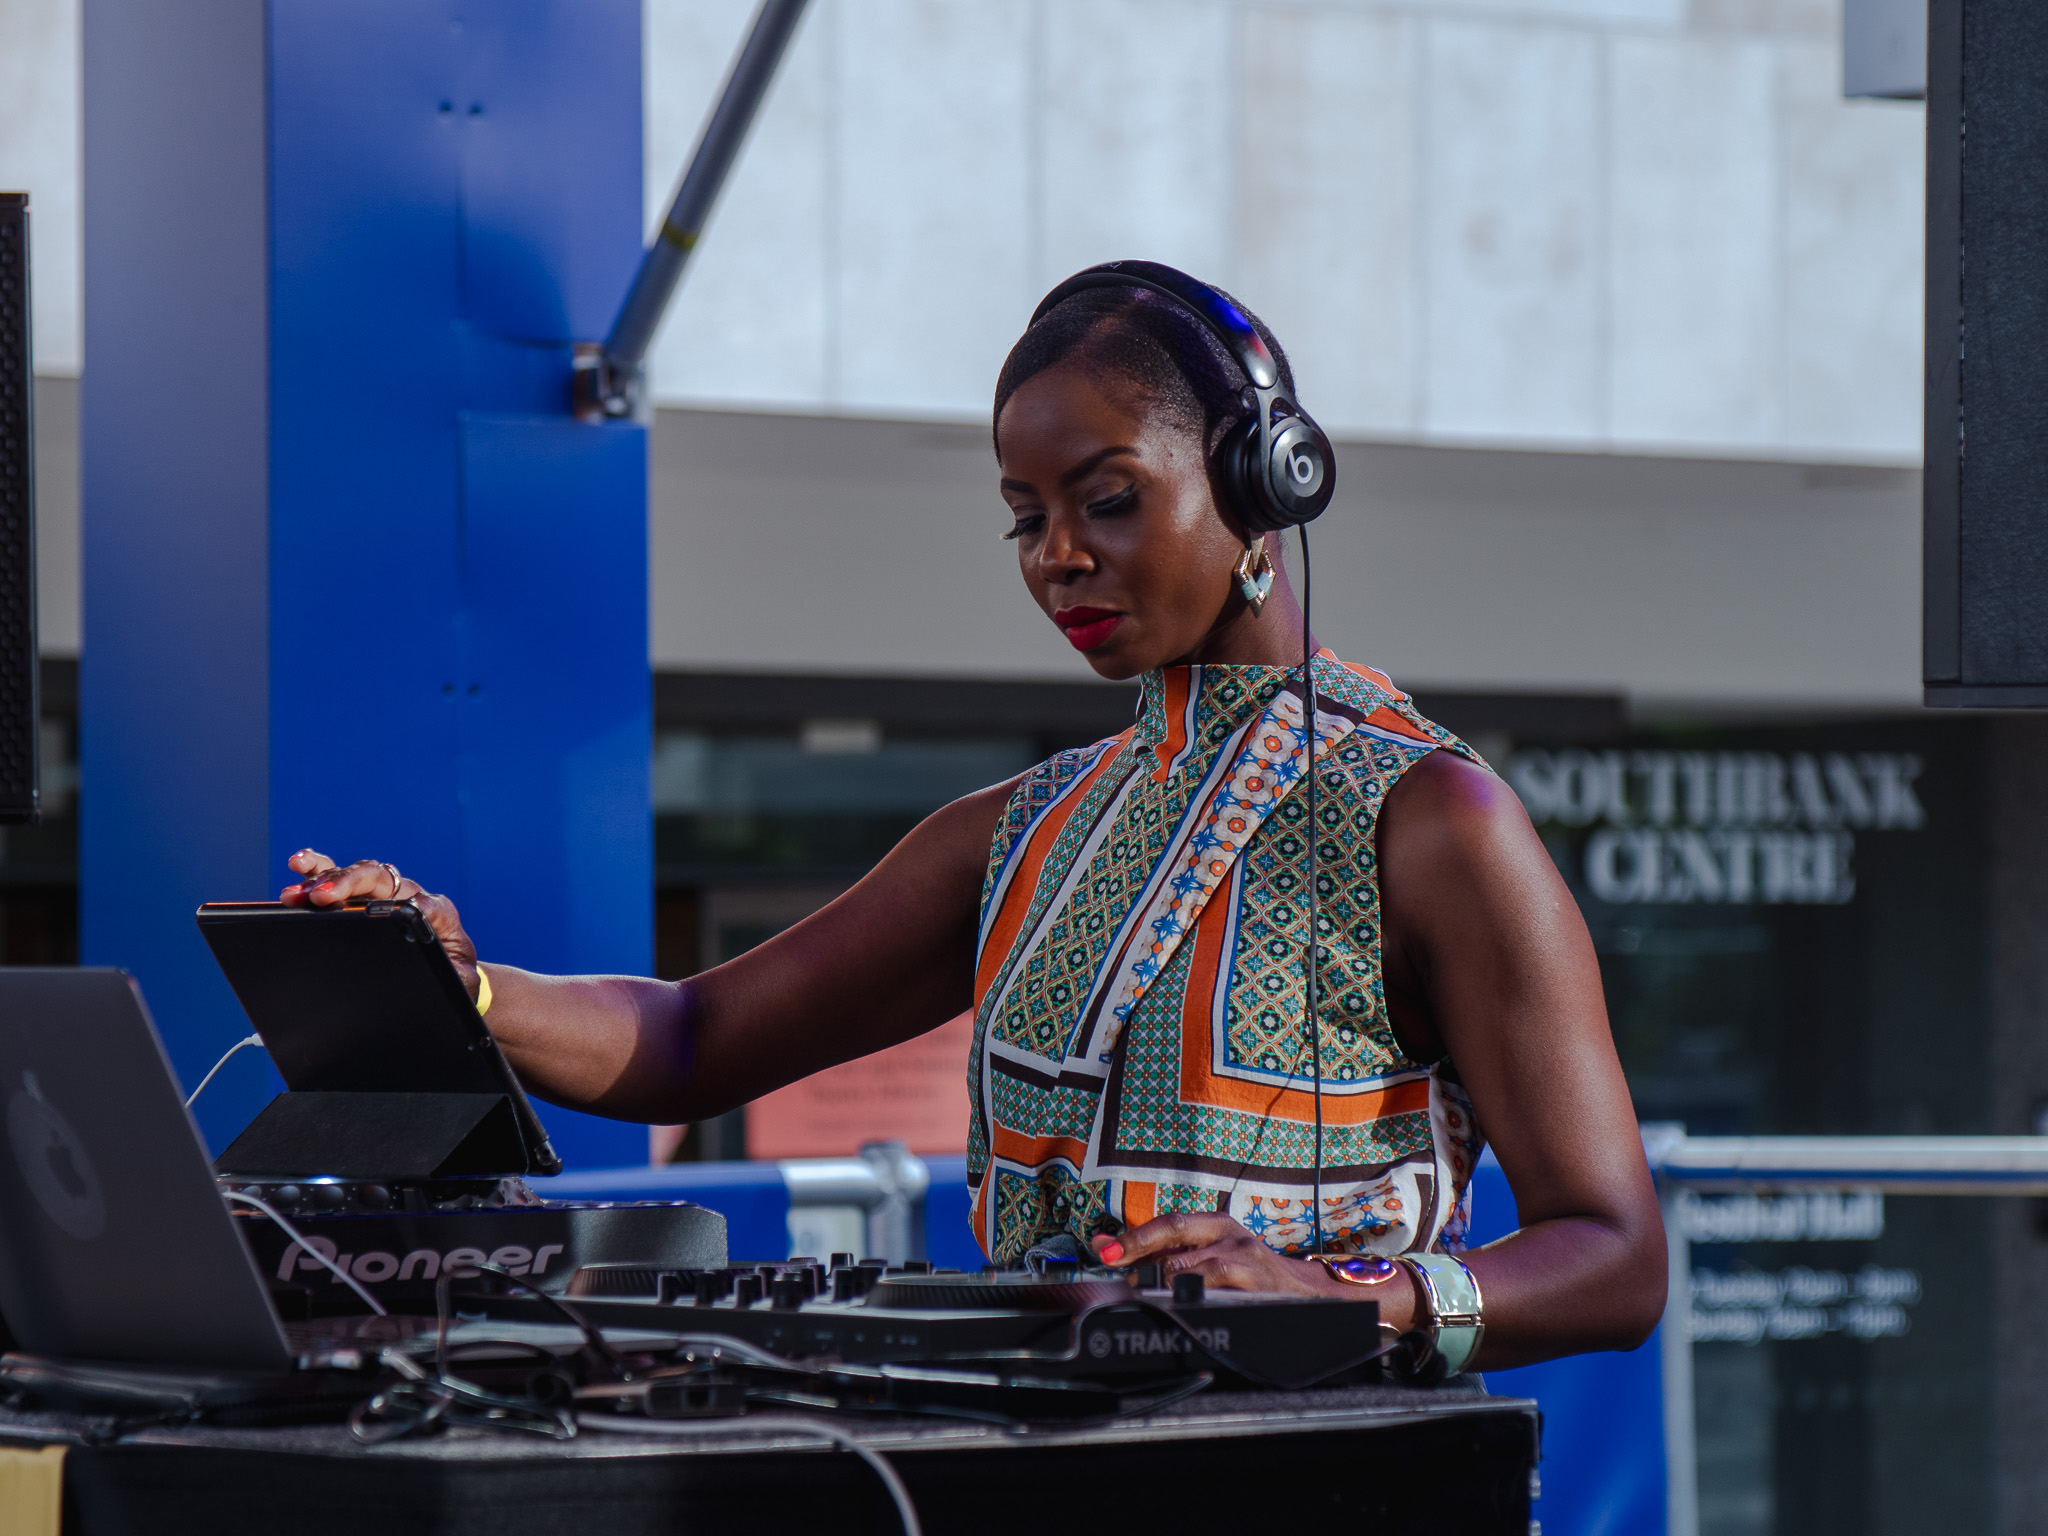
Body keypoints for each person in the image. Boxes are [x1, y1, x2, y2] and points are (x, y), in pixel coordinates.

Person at [286, 264, 1665, 1374]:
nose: (1058, 553)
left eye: (1107, 499)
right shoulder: (1012, 833)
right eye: (1025, 516)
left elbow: (1615, 1256)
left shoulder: (1434, 819)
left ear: (1261, 490)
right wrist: (456, 981)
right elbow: (691, 1041)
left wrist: (1346, 1292)